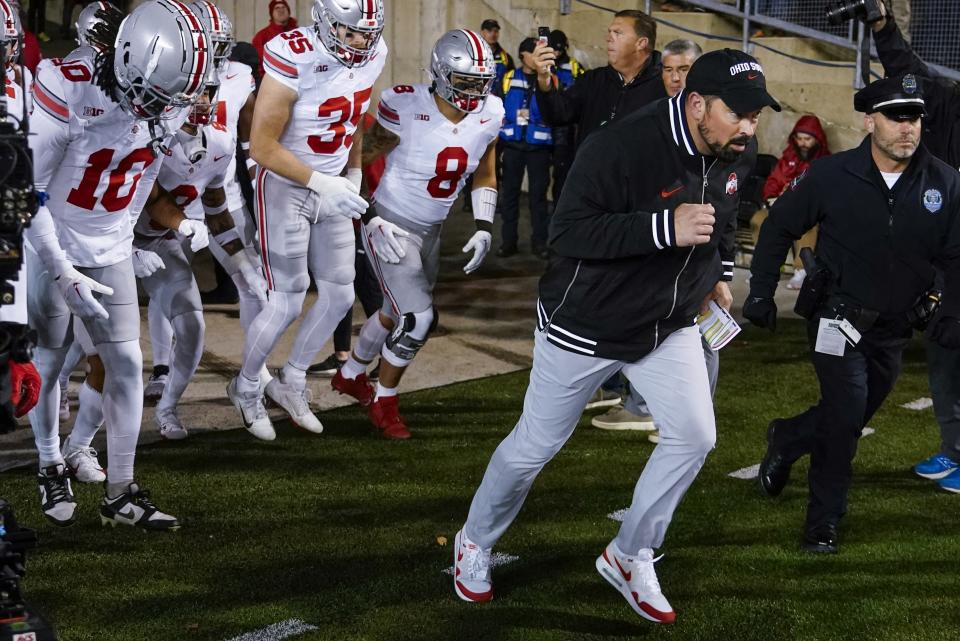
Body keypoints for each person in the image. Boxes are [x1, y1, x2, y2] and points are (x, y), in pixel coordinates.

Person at [453, 49, 775, 622]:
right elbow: (570, 233)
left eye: (756, 116)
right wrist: (663, 227)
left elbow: (722, 218)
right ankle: (474, 540)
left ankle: (629, 553)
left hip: (669, 323)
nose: (750, 128)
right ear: (697, 103)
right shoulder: (619, 144)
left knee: (694, 436)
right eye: (740, 114)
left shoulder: (735, 148)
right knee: (534, 448)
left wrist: (716, 276)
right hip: (586, 322)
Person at [744, 74, 960, 553]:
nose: (908, 127)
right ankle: (823, 522)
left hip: (895, 329)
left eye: (915, 117)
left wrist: (950, 308)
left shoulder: (946, 183)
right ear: (870, 120)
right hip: (834, 321)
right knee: (844, 420)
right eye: (896, 116)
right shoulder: (830, 174)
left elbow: (955, 256)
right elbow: (778, 227)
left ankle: (788, 436)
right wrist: (759, 293)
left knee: (851, 414)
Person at [26, 0, 210, 530]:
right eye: (151, 97)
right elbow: (28, 191)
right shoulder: (67, 87)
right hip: (51, 243)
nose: (157, 110)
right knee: (49, 360)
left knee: (127, 364)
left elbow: (145, 174)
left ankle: (121, 492)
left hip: (107, 249)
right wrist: (62, 270)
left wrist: (123, 241)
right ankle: (49, 464)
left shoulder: (168, 97)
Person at [330, 29, 502, 439]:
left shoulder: (491, 111)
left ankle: (351, 373)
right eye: (466, 81)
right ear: (441, 74)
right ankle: (383, 401)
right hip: (392, 222)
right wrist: (367, 214)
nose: (475, 91)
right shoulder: (404, 104)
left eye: (481, 82)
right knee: (417, 317)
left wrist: (483, 225)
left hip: (432, 229)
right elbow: (360, 157)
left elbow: (485, 172)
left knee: (392, 311)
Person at [228, 0, 386, 441]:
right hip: (285, 185)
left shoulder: (374, 52)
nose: (360, 42)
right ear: (323, 22)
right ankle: (244, 386)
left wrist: (352, 174)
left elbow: (353, 117)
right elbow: (261, 146)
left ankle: (291, 381)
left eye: (366, 34)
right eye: (350, 32)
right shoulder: (293, 52)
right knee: (286, 300)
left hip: (331, 183)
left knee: (340, 295)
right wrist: (322, 181)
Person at [591, 37, 708, 436]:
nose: (675, 78)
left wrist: (723, 271)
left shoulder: (717, 124)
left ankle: (666, 413)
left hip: (692, 251)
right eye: (670, 70)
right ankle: (634, 399)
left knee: (692, 331)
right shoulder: (653, 115)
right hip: (653, 240)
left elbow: (723, 200)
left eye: (685, 70)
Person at [870, 4, 960, 492]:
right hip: (950, 267)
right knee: (946, 358)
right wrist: (883, 26)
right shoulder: (947, 106)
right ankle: (955, 450)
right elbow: (907, 70)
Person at [532, 9, 666, 149]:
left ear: (641, 43)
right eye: (609, 32)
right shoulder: (593, 80)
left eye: (617, 33)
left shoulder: (667, 86)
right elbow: (557, 115)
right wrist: (543, 78)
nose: (608, 38)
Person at [749, 114, 830, 290]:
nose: (802, 143)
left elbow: (826, 191)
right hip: (781, 206)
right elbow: (772, 183)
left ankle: (801, 271)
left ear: (817, 139)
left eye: (807, 139)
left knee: (807, 225)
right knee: (759, 219)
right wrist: (775, 194)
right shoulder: (787, 158)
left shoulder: (826, 162)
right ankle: (765, 268)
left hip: (808, 211)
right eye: (799, 138)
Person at [496, 37, 552, 258]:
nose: (537, 56)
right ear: (523, 55)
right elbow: (498, 111)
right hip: (513, 146)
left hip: (539, 147)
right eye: (533, 52)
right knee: (509, 196)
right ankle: (508, 242)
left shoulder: (548, 79)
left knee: (538, 199)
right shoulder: (508, 78)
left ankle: (540, 243)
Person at [547, 29, 583, 210]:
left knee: (562, 175)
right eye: (554, 49)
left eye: (560, 50)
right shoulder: (543, 65)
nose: (557, 53)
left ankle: (558, 211)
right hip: (543, 126)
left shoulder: (575, 67)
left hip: (565, 130)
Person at [251, 0, 298, 77]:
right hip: (272, 79)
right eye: (277, 8)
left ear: (288, 11)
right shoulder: (261, 36)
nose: (281, 10)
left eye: (283, 7)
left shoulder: (297, 33)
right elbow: (258, 62)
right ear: (271, 13)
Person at [480, 18, 513, 86]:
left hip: (499, 96)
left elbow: (511, 80)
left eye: (496, 31)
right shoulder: (475, 54)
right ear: (482, 32)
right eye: (489, 31)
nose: (493, 34)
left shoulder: (506, 57)